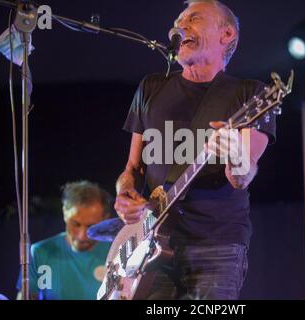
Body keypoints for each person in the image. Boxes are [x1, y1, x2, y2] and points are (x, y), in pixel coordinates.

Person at [115, 0, 276, 300]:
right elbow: (132, 169)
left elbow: (242, 177)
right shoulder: (150, 88)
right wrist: (124, 193)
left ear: (226, 34)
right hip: (149, 245)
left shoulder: (250, 95)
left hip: (216, 244)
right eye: (178, 21)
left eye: (194, 18)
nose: (179, 26)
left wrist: (236, 156)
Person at [16, 181, 112, 300]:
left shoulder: (116, 251)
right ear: (65, 213)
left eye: (91, 227)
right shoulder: (39, 253)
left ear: (105, 220)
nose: (82, 236)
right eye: (75, 224)